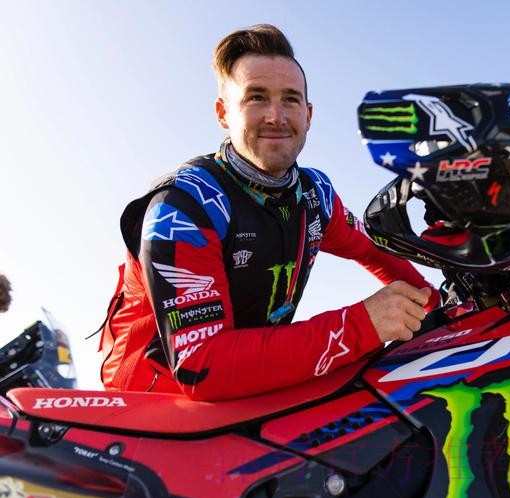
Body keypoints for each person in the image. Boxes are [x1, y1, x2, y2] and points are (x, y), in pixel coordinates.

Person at [99, 24, 439, 401]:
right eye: (256, 97)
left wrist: (438, 307)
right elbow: (203, 367)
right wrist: (362, 325)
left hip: (247, 386)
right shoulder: (183, 207)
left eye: (290, 100)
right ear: (223, 113)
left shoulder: (316, 195)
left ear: (308, 115)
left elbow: (374, 251)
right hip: (151, 399)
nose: (276, 116)